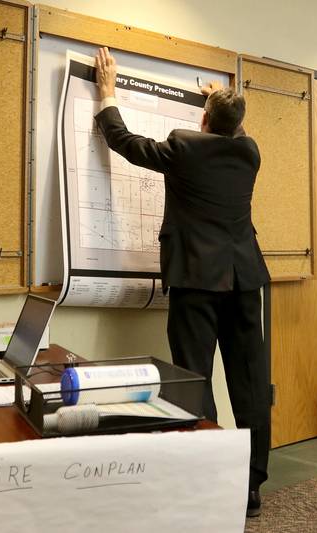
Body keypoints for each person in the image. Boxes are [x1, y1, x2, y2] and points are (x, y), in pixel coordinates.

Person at [93, 48, 271, 517]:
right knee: (250, 383)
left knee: (194, 378)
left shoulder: (184, 147)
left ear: (204, 119)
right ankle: (251, 486)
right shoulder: (249, 151)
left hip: (196, 280)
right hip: (245, 280)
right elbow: (237, 131)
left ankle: (210, 478)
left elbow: (124, 141)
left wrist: (107, 93)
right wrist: (222, 108)